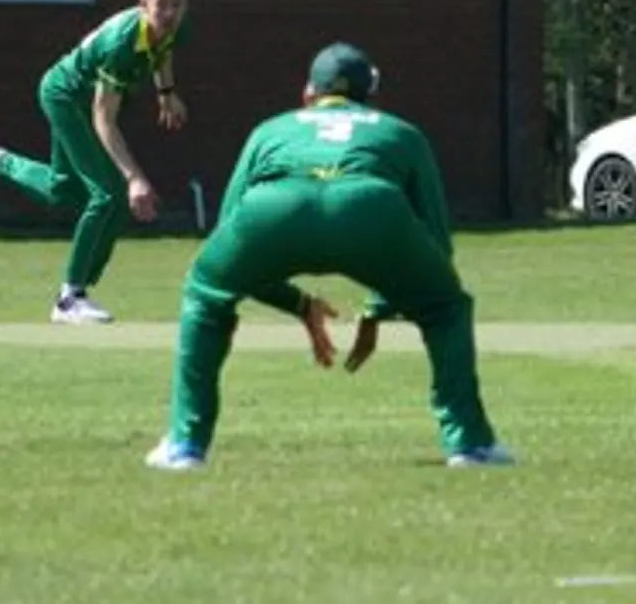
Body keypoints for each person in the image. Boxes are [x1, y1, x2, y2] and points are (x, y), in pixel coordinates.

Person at [143, 42, 513, 471]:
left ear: (307, 93)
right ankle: (470, 446)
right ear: (371, 96)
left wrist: (298, 304)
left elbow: (231, 239)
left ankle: (185, 446)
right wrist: (379, 307)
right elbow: (437, 244)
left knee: (206, 294)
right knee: (446, 307)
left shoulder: (269, 130)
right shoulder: (401, 132)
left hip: (274, 207)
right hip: (370, 207)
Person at [0, 0, 191, 324]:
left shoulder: (171, 26)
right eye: (161, 6)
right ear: (143, 5)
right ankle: (70, 298)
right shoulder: (121, 46)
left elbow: (162, 49)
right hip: (66, 97)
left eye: (177, 5)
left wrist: (166, 92)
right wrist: (134, 178)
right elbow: (104, 120)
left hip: (80, 100)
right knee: (108, 195)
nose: (169, 14)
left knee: (62, 190)